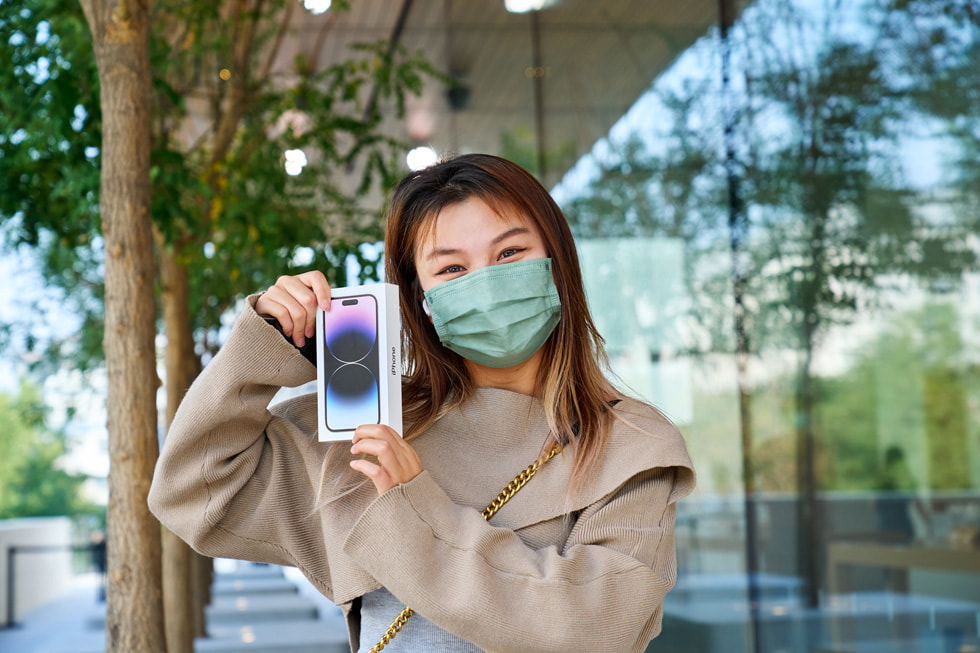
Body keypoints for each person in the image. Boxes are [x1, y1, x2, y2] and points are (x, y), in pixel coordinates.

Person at [149, 153, 695, 652]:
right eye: (453, 269)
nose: (485, 282)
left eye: (510, 253)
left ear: (557, 262)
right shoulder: (372, 424)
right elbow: (193, 492)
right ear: (424, 301)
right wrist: (262, 346)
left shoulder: (631, 443)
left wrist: (413, 511)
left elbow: (589, 629)